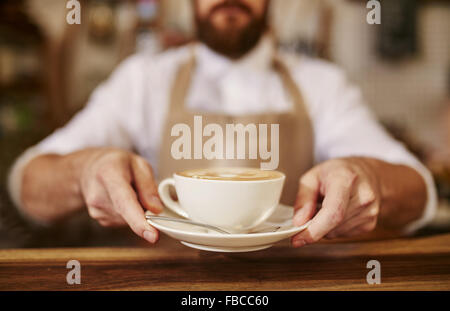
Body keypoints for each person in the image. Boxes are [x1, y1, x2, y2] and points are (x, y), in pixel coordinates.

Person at [8, 0, 436, 247]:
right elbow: (26, 182)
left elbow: (419, 191)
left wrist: (369, 179)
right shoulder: (142, 79)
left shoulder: (322, 83)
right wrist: (84, 171)